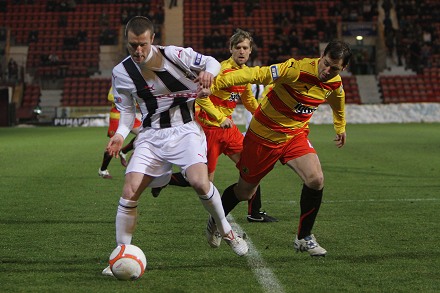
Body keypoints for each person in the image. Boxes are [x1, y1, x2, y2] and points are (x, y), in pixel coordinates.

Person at [102, 16, 248, 277]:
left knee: (200, 182)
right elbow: (125, 111)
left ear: (152, 40)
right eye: (133, 45)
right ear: (127, 41)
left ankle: (226, 230)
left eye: (143, 44)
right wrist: (120, 135)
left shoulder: (174, 54)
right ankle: (122, 253)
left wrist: (208, 73)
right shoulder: (121, 73)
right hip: (151, 135)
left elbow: (212, 63)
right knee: (129, 190)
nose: (138, 50)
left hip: (185, 131)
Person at [200, 40, 352, 256]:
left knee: (316, 179)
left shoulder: (334, 83)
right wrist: (216, 83)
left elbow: (338, 100)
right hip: (262, 136)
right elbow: (256, 74)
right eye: (326, 63)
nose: (327, 71)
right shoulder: (295, 69)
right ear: (322, 56)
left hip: (294, 136)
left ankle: (304, 237)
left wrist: (340, 127)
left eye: (334, 68)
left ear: (342, 69)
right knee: (245, 192)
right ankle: (216, 220)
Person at [151, 29, 278, 223]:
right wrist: (219, 118)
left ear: (251, 51)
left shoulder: (246, 73)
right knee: (204, 181)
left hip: (229, 130)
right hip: (209, 129)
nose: (242, 51)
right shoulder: (221, 71)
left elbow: (249, 100)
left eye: (245, 48)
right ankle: (163, 179)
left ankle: (255, 213)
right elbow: (201, 99)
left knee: (251, 167)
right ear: (231, 49)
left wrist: (264, 115)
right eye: (238, 48)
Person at [98, 87, 141, 179]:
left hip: (131, 116)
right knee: (113, 144)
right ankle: (103, 170)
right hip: (117, 116)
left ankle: (123, 151)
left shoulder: (134, 82)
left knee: (143, 134)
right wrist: (126, 100)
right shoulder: (117, 82)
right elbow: (110, 96)